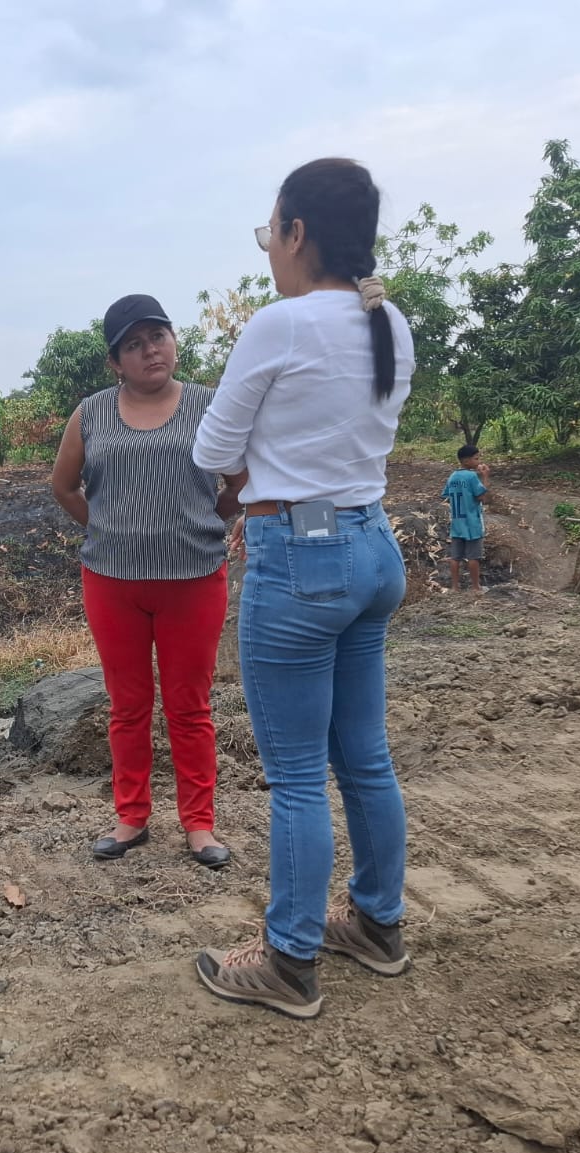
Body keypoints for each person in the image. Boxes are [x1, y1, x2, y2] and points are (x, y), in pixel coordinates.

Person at [190, 157, 417, 1019]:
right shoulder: (389, 321)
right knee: (365, 756)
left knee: (293, 776)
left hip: (301, 554)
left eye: (271, 231)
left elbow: (212, 451)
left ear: (297, 232)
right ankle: (377, 923)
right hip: (372, 545)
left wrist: (261, 475)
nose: (270, 249)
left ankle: (288, 961)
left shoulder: (280, 325)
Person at [50, 294, 245, 869]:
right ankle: (131, 816)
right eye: (133, 345)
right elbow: (64, 486)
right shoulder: (91, 414)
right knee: (128, 705)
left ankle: (199, 824)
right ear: (116, 362)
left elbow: (239, 480)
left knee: (190, 705)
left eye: (157, 336)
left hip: (194, 579)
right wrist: (106, 528)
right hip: (113, 583)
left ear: (173, 341)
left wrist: (210, 519)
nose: (149, 351)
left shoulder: (209, 406)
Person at [442, 445, 490, 592]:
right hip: (472, 523)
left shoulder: (452, 477)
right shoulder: (471, 477)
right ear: (467, 461)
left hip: (457, 524)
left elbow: (447, 495)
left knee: (455, 557)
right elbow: (482, 497)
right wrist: (485, 476)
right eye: (476, 458)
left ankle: (455, 587)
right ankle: (476, 587)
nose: (478, 461)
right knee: (473, 557)